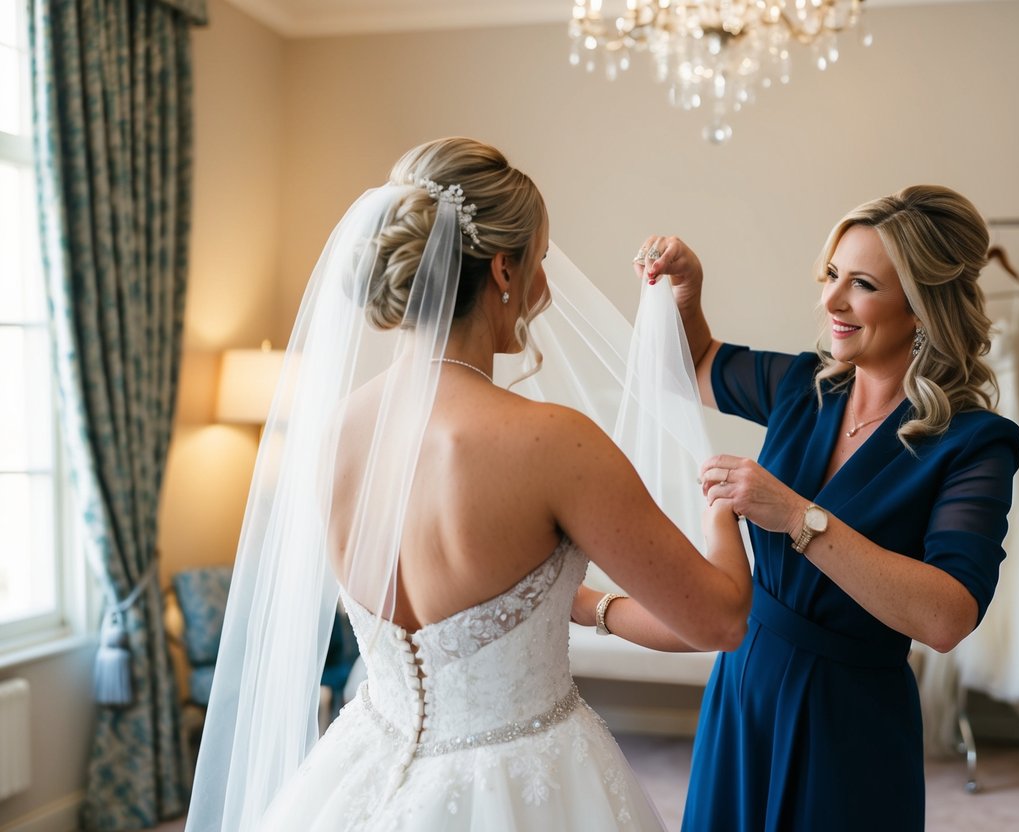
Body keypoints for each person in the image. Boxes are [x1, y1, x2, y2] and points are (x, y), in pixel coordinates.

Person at [186, 137, 751, 831]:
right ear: (504, 269)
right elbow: (719, 620)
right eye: (540, 261)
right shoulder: (552, 441)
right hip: (522, 780)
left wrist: (579, 604)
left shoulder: (339, 427)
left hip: (368, 764)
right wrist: (725, 501)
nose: (545, 288)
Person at [580, 186, 1019, 830]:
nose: (832, 300)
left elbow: (948, 616)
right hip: (744, 688)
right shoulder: (804, 385)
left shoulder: (975, 442)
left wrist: (798, 518)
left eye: (862, 284)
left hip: (849, 712)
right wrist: (688, 293)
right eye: (832, 275)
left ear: (922, 307)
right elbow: (698, 362)